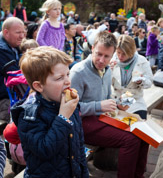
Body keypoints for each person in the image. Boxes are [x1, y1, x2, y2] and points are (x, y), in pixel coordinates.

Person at [70, 31, 149, 178]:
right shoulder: (78, 72)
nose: (101, 59)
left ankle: (138, 175)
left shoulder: (106, 70)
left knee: (143, 134)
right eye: (99, 54)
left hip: (101, 118)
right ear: (92, 48)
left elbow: (106, 98)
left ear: (113, 54)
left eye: (106, 56)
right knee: (130, 140)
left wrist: (119, 104)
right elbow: (70, 108)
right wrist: (98, 106)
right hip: (81, 124)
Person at [11, 46, 89, 178]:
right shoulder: (29, 116)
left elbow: (79, 145)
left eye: (68, 74)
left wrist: (83, 173)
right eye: (59, 78)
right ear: (39, 86)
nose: (68, 81)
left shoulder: (70, 105)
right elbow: (44, 150)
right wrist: (63, 117)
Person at [111, 35, 153, 118]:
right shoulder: (112, 61)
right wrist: (107, 70)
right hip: (116, 100)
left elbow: (149, 82)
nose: (120, 56)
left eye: (124, 54)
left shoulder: (142, 61)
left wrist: (141, 81)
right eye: (118, 52)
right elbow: (104, 82)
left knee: (138, 125)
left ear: (131, 52)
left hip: (135, 101)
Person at [0, 17, 25, 122]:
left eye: (24, 32)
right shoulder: (2, 49)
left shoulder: (13, 45)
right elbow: (17, 75)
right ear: (6, 32)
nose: (22, 36)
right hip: (4, 99)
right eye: (18, 32)